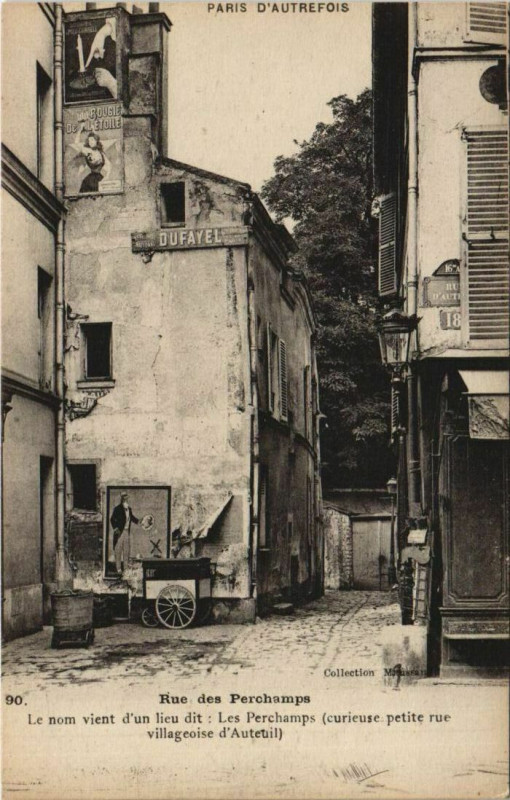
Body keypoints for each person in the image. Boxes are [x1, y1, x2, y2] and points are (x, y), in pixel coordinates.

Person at [74, 123, 110, 194]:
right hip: (90, 180)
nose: (91, 142)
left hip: (100, 179)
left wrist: (107, 176)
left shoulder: (101, 152)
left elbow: (109, 165)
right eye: (89, 140)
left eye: (92, 140)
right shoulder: (87, 151)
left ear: (96, 141)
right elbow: (76, 143)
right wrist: (80, 130)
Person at [110, 492, 140, 574]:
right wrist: (115, 529)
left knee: (126, 550)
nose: (126, 500)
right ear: (122, 499)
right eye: (124, 498)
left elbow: (132, 518)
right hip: (119, 532)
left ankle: (126, 568)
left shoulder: (129, 509)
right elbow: (112, 519)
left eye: (127, 498)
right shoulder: (117, 509)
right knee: (118, 550)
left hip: (126, 532)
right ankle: (118, 568)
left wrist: (139, 521)